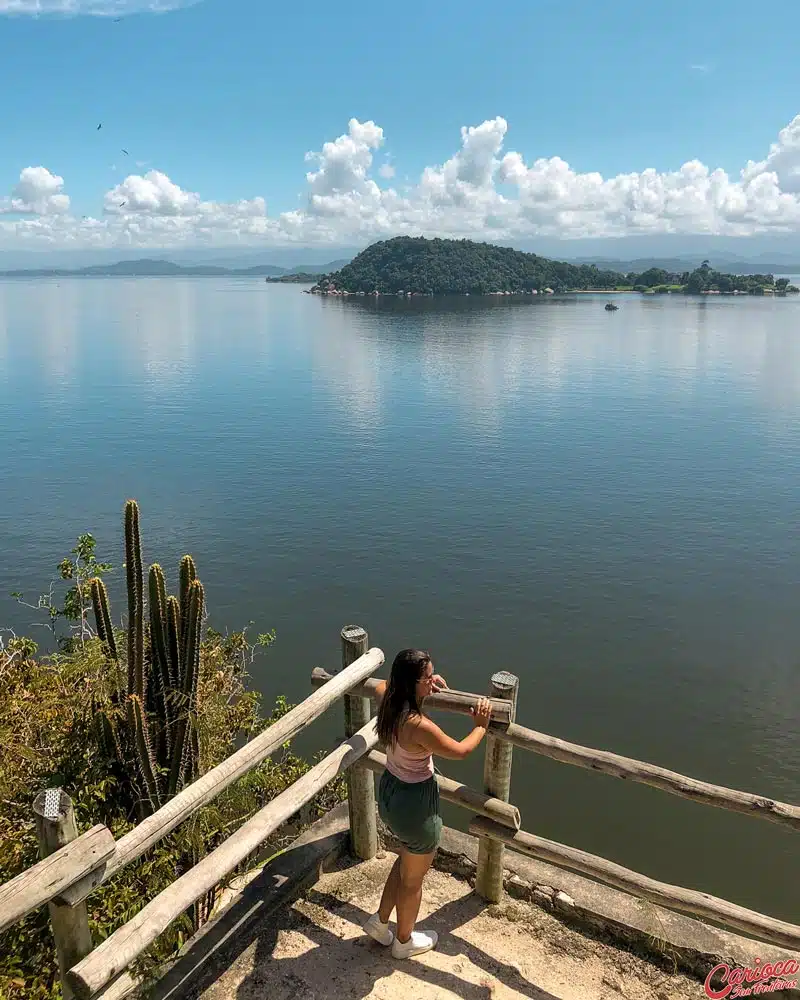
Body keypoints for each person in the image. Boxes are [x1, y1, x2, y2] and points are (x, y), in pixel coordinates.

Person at [362, 648, 493, 960]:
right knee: (414, 881)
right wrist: (480, 726)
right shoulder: (418, 726)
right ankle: (404, 942)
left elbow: (389, 686)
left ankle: (380, 924)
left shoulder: (386, 697)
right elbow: (460, 751)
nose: (433, 680)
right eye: (427, 678)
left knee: (405, 861)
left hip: (391, 793)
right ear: (413, 684)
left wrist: (426, 686)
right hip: (416, 804)